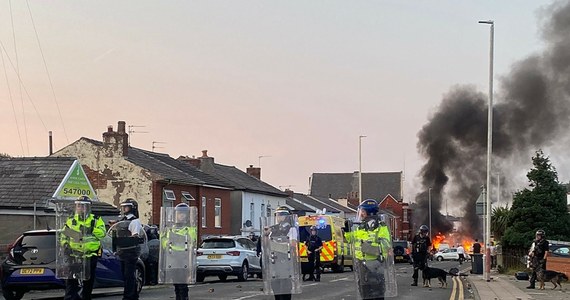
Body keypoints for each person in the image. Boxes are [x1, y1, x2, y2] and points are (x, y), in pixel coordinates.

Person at [345, 199, 392, 300]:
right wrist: (347, 231)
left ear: (369, 213)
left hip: (375, 265)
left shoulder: (380, 227)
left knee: (377, 294)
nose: (361, 214)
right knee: (365, 294)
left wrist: (367, 247)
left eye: (362, 211)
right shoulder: (361, 227)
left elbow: (385, 245)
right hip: (361, 265)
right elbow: (352, 240)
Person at [60, 196, 106, 300]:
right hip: (74, 254)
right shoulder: (71, 220)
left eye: (82, 206)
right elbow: (64, 234)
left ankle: (86, 297)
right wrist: (65, 244)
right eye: (78, 206)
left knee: (88, 282)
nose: (80, 208)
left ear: (88, 207)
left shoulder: (95, 220)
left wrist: (91, 229)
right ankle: (70, 298)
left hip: (90, 255)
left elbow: (103, 233)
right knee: (71, 280)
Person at [161, 203, 197, 300]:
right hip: (172, 258)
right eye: (179, 213)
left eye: (183, 214)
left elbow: (192, 241)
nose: (181, 216)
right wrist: (167, 243)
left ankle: (184, 298)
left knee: (182, 284)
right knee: (176, 284)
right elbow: (164, 241)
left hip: (184, 258)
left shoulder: (190, 228)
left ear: (187, 215)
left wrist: (176, 239)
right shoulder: (170, 228)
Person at [263, 206, 298, 300]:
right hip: (274, 260)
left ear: (286, 216)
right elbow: (267, 244)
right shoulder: (273, 229)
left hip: (286, 260)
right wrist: (266, 235)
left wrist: (276, 244)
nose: (278, 217)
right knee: (275, 286)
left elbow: (292, 244)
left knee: (285, 287)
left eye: (280, 215)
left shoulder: (291, 229)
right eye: (277, 215)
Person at [117, 198, 144, 300]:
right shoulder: (123, 220)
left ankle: (129, 296)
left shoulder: (134, 221)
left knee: (129, 276)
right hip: (123, 251)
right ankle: (132, 295)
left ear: (132, 208)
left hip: (130, 251)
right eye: (123, 206)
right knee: (126, 275)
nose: (124, 208)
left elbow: (135, 236)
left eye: (126, 206)